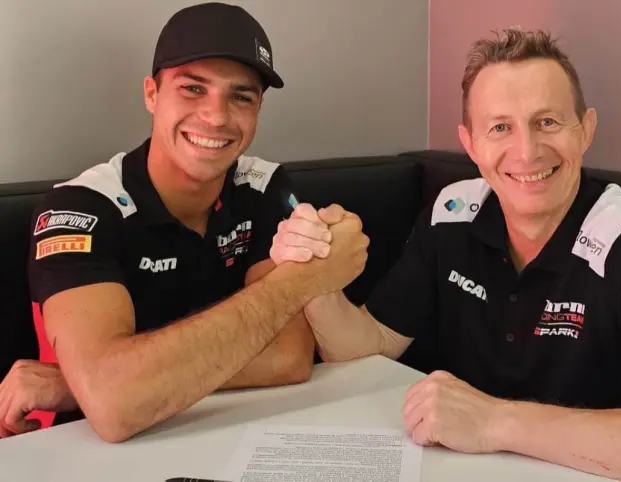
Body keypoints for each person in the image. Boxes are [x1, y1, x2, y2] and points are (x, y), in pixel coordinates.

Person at [270, 28, 621, 480]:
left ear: (586, 130)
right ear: (470, 144)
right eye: (500, 127)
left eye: (547, 122)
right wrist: (312, 279)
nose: (526, 152)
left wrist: (496, 422)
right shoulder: (452, 213)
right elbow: (370, 345)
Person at [0, 2, 368, 442]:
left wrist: (84, 384)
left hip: (218, 429)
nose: (216, 116)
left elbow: (288, 356)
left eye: (241, 96)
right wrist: (300, 284)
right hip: (83, 447)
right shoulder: (79, 209)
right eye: (193, 88)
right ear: (152, 94)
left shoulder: (263, 186)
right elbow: (114, 406)